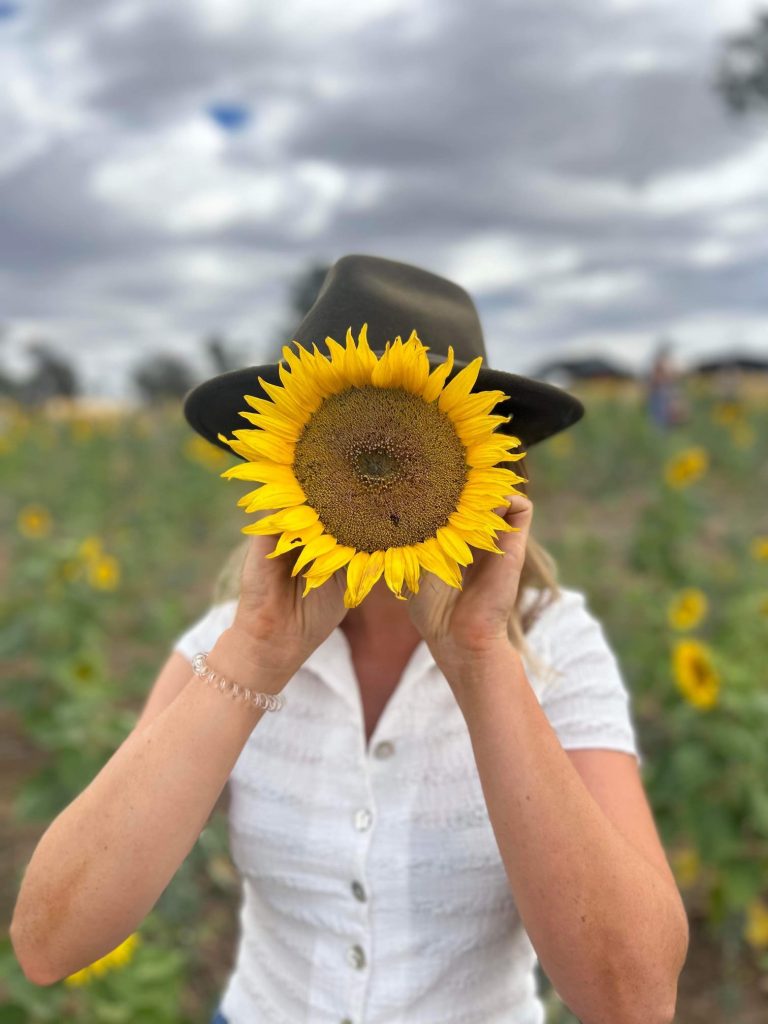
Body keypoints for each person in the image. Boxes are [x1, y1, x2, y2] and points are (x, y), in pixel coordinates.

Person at [11, 255, 689, 1024]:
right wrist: (260, 649)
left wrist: (478, 655)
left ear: (493, 474)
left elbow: (635, 999)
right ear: (284, 467)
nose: (376, 475)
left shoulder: (553, 643)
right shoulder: (226, 644)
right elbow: (50, 941)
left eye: (406, 448)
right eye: (350, 453)